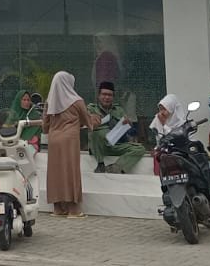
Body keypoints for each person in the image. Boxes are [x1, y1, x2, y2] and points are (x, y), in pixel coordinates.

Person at [43, 71, 98, 217]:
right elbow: (88, 123)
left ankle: (58, 208)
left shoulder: (50, 102)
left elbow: (45, 127)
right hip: (70, 140)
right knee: (71, 172)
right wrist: (95, 119)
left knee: (55, 173)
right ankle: (73, 209)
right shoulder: (77, 101)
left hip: (54, 140)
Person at [89, 81, 144, 174]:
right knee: (96, 133)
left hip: (114, 145)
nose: (107, 97)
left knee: (140, 148)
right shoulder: (91, 108)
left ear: (113, 97)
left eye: (110, 95)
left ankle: (116, 167)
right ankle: (100, 164)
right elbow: (86, 124)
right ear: (99, 96)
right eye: (104, 94)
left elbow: (130, 130)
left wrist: (128, 124)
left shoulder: (119, 110)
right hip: (99, 147)